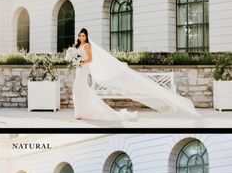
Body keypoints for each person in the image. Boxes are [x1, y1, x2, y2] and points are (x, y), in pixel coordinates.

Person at [66, 28, 200, 122]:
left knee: (78, 89)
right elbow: (78, 57)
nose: (81, 37)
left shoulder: (88, 46)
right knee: (79, 90)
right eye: (80, 35)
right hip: (79, 69)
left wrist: (79, 60)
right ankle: (80, 112)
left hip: (83, 68)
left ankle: (81, 113)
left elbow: (90, 59)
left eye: (83, 35)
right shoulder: (77, 46)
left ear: (86, 36)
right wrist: (74, 59)